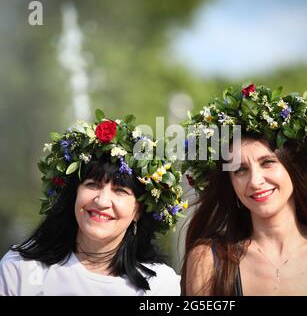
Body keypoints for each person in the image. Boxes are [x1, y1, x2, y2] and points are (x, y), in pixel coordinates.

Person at [181, 84, 307, 296]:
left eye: (267, 162)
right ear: (230, 183)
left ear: (293, 168)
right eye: (241, 170)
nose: (255, 181)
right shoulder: (207, 260)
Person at [0, 110, 187, 296]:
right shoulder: (19, 269)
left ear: (139, 210)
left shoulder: (160, 285)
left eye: (120, 190)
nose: (102, 201)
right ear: (74, 194)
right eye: (92, 185)